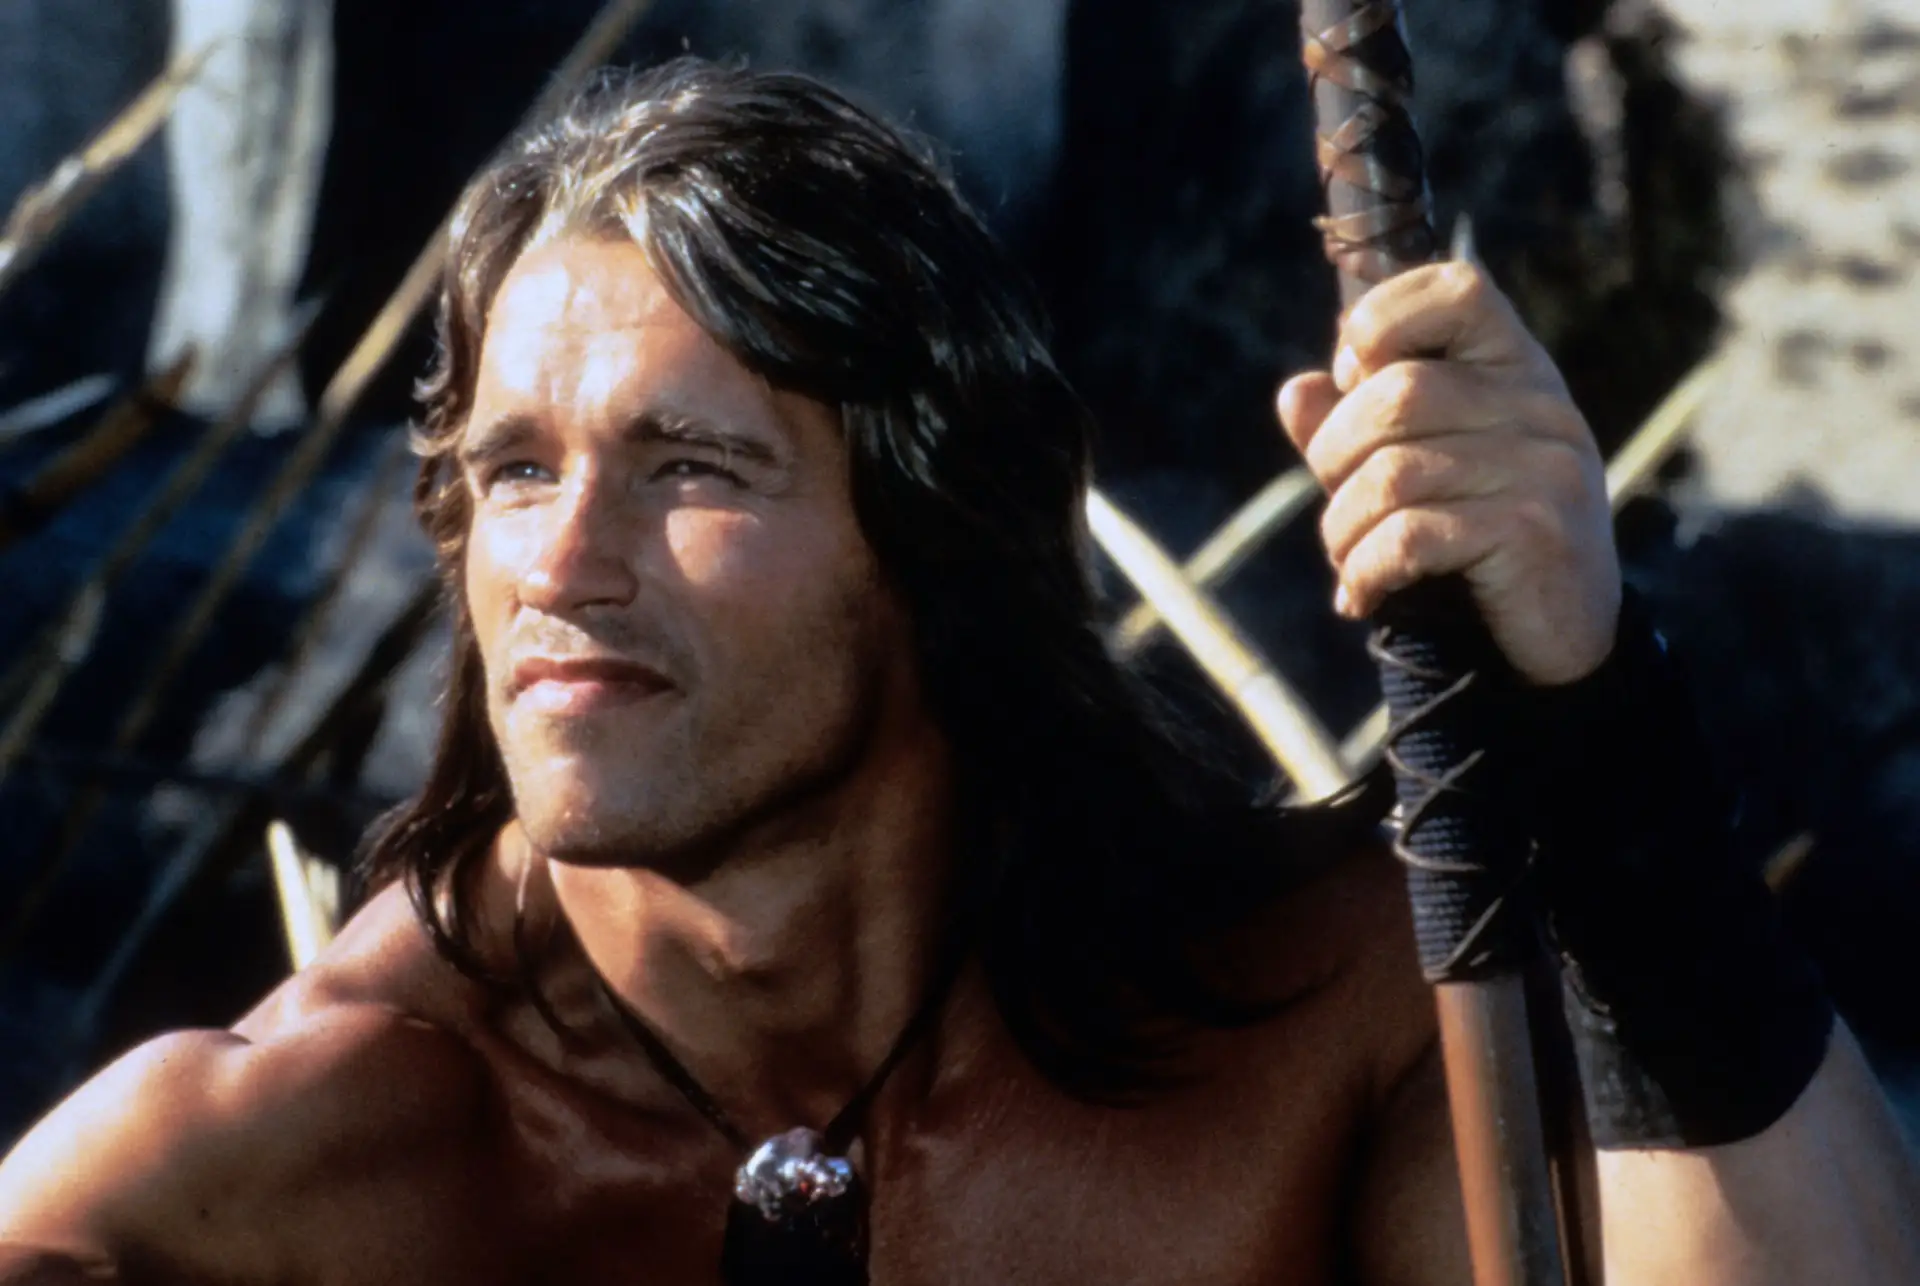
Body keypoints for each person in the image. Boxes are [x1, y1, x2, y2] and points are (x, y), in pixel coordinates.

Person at [2, 58, 1915, 1286]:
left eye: (692, 467)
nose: (561, 566)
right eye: (513, 472)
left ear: (939, 542)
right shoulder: (277, 1168)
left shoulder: (1310, 1026)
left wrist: (1593, 722)